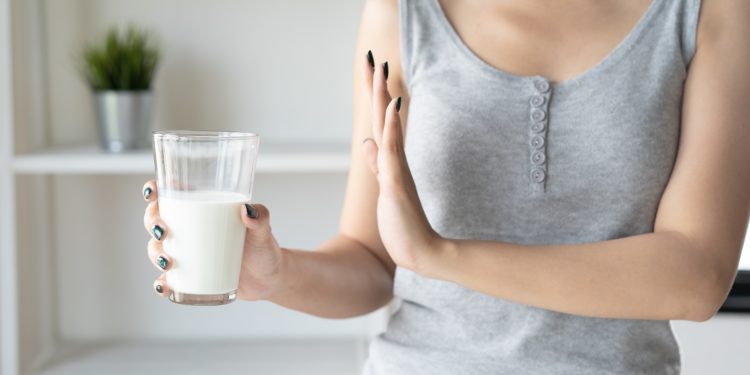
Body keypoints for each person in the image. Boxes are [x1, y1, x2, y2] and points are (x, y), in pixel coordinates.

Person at [142, 0, 750, 373]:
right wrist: (274, 275)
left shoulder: (707, 11)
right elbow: (374, 260)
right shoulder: (403, 13)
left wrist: (441, 255)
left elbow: (695, 278)